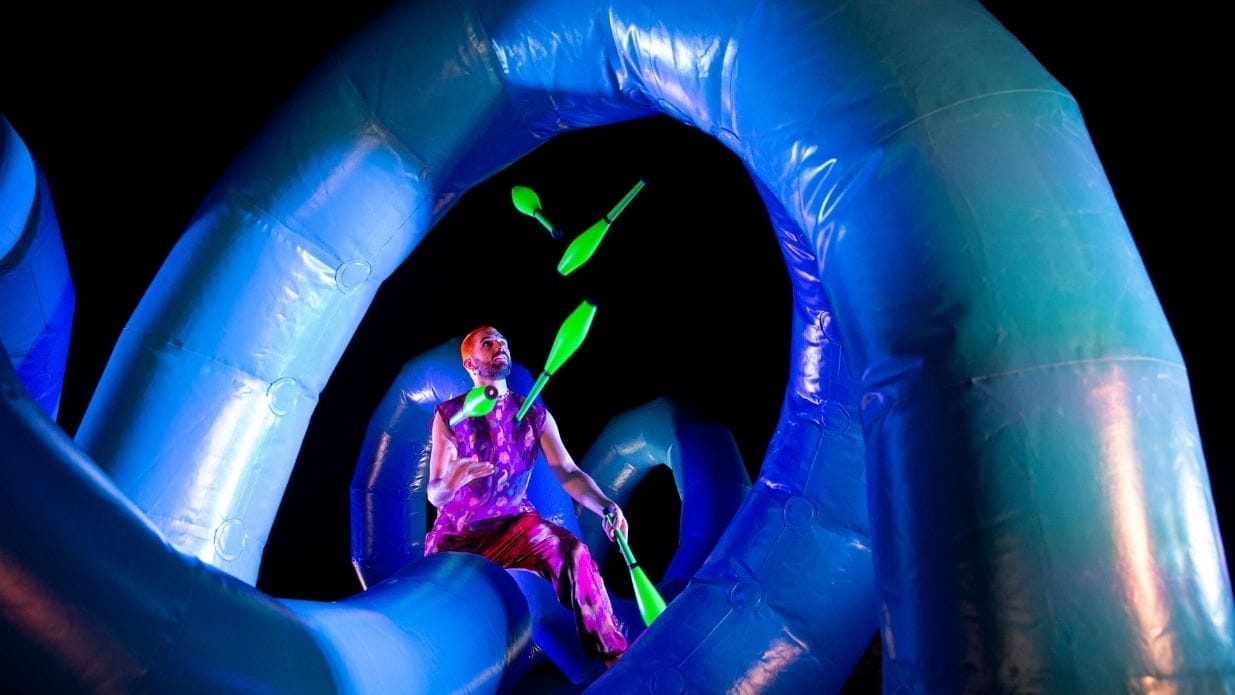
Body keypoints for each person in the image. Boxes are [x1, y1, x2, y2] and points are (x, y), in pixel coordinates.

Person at [425, 325, 629, 665]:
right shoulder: (450, 415)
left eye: (502, 340)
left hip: (516, 528)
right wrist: (450, 483)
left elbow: (568, 471)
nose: (499, 345)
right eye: (487, 343)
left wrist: (605, 505)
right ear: (470, 363)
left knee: (574, 552)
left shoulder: (534, 414)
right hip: (459, 538)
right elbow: (435, 492)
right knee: (442, 617)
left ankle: (614, 658)